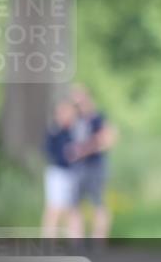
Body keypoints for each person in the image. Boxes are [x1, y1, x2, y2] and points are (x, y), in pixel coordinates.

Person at [68, 85, 118, 239]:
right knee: (74, 205)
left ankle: (99, 240)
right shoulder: (75, 119)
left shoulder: (97, 118)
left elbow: (107, 139)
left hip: (95, 166)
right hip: (78, 167)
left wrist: (83, 150)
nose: (78, 104)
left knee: (98, 203)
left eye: (80, 100)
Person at [42, 98, 81, 239]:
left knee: (73, 209)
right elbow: (48, 152)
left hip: (73, 173)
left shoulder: (75, 130)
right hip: (57, 172)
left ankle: (76, 240)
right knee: (54, 208)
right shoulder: (54, 131)